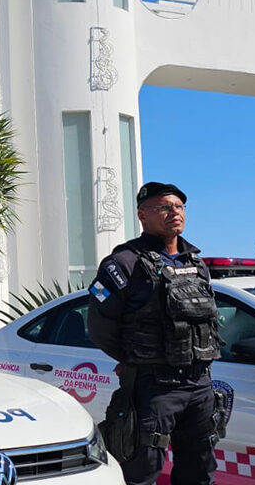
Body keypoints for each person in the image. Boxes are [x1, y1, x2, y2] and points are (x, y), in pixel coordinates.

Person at [87, 182, 222, 485]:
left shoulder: (196, 263)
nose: (174, 212)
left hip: (199, 385)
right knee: (141, 472)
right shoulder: (124, 262)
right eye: (164, 207)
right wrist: (131, 359)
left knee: (200, 472)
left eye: (179, 206)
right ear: (142, 215)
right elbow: (99, 326)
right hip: (153, 387)